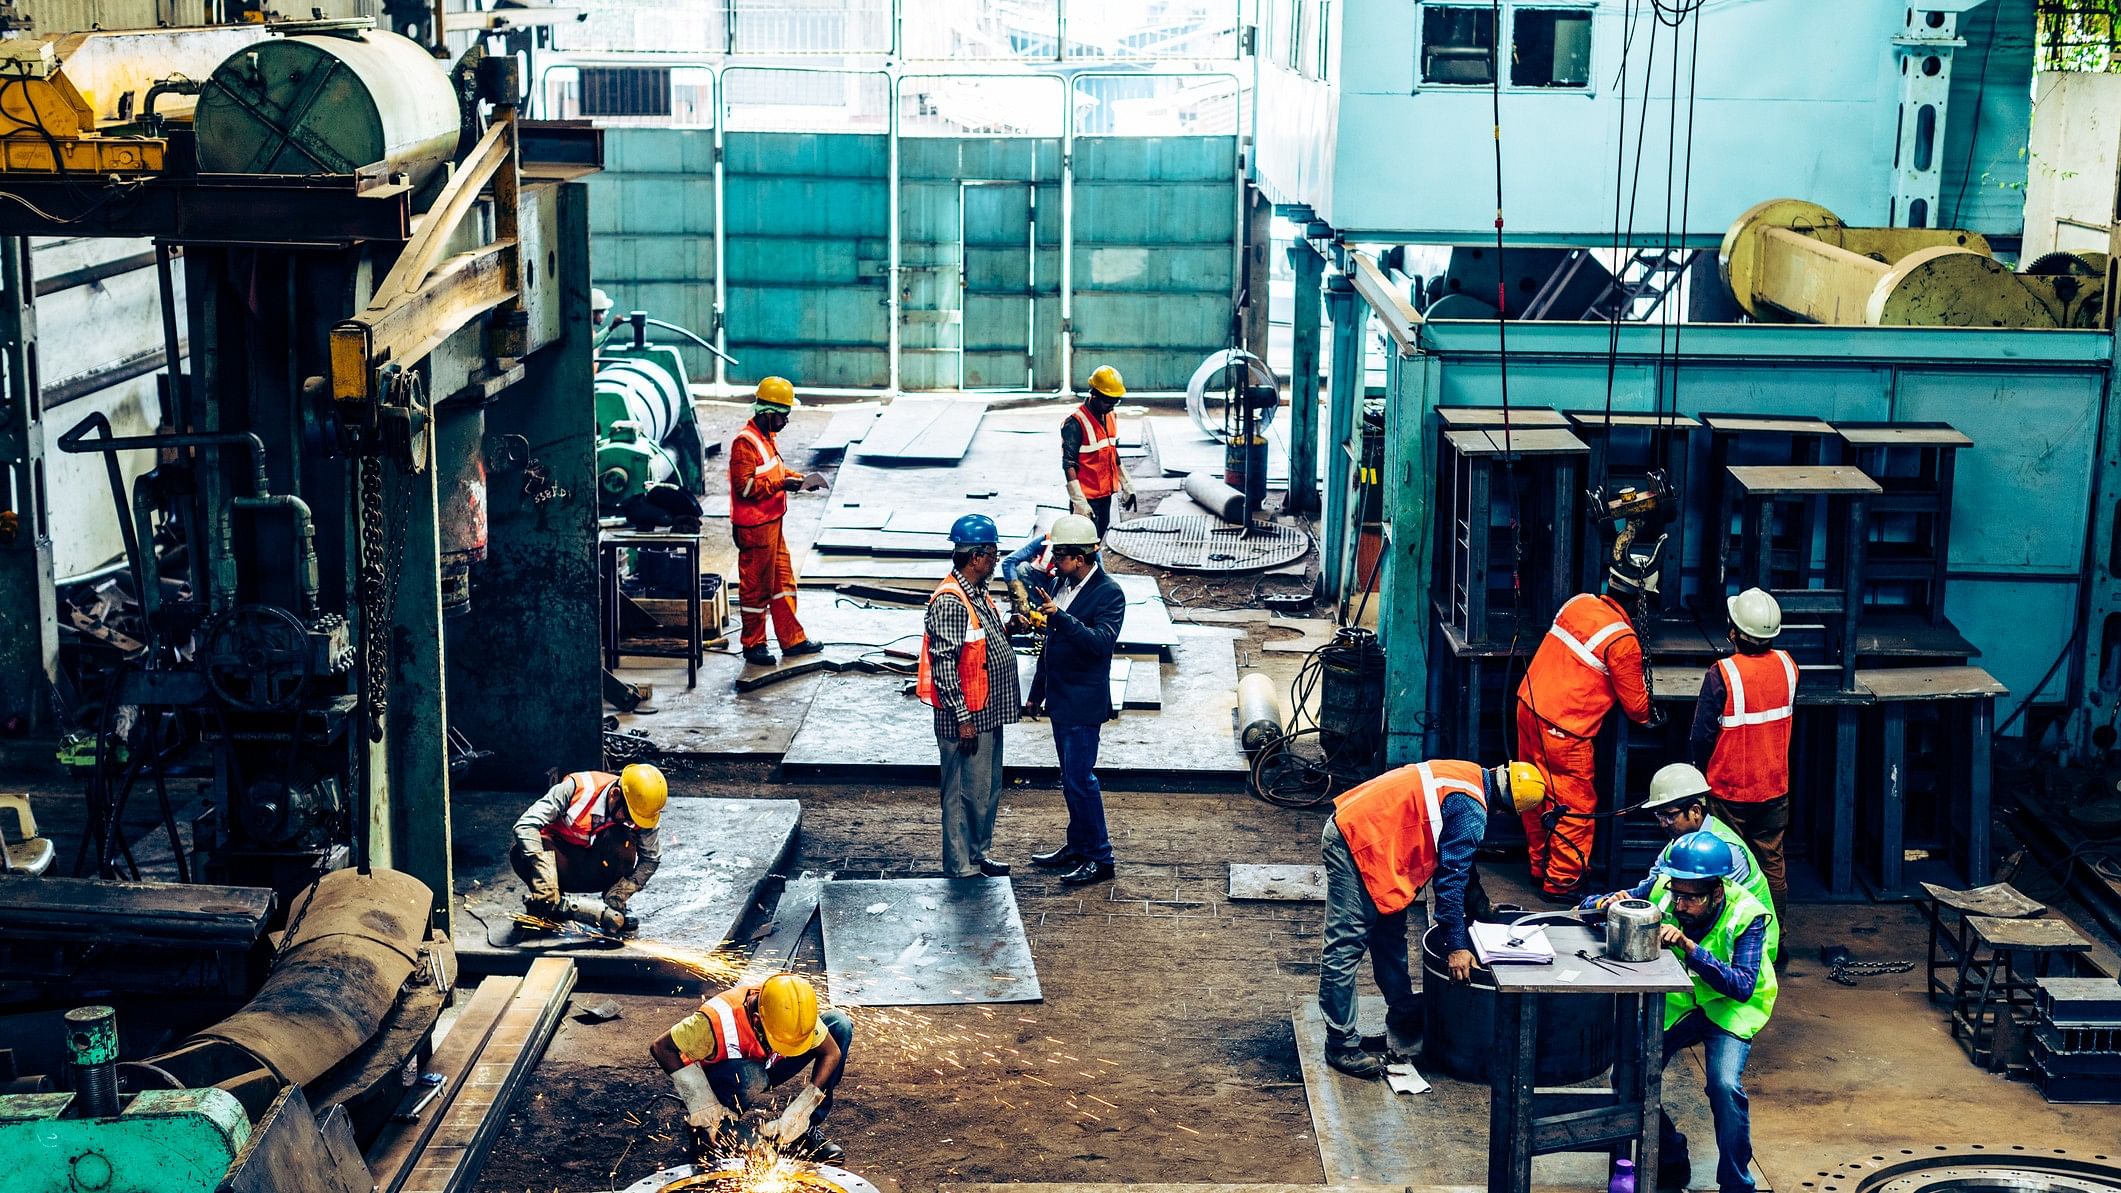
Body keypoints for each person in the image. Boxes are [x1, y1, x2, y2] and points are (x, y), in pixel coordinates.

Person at [1319, 758, 1547, 1079]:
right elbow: (1450, 881)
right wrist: (1456, 946)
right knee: (1346, 942)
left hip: (1379, 837)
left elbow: (1459, 861)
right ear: (1507, 811)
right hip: (1356, 839)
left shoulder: (1469, 775)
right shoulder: (1473, 812)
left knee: (1389, 930)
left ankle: (1401, 1007)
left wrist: (1482, 906)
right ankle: (1340, 1043)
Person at [1634, 832, 1777, 1193]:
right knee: (1631, 1074)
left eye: (1689, 898)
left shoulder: (1747, 915)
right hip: (1685, 1000)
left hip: (1731, 1006)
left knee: (1724, 1086)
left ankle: (1737, 1184)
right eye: (1675, 893)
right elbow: (1623, 900)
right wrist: (1607, 902)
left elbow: (1742, 985)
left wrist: (1687, 946)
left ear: (1716, 892)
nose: (1678, 905)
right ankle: (1669, 1163)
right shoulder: (1666, 888)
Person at [1515, 546, 1658, 901]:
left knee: (1533, 793)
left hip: (1528, 706)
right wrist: (1658, 715)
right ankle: (1562, 882)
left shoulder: (1577, 603)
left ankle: (1539, 867)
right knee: (1573, 805)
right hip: (1564, 729)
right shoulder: (1623, 641)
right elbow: (1638, 709)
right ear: (1641, 599)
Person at [1578, 763, 1779, 962]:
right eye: (1659, 814)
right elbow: (1652, 891)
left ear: (1695, 811)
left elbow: (1702, 914)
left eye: (1670, 815)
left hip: (1746, 950)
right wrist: (1610, 904)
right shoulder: (1679, 847)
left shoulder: (1726, 852)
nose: (1662, 823)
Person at [1022, 514, 1127, 887]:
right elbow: (1050, 645)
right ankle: (1078, 844)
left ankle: (1101, 857)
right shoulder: (1060, 584)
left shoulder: (1109, 593)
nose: (1053, 564)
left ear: (1080, 558)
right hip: (1061, 700)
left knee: (1081, 780)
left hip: (1084, 703)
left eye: (1060, 557)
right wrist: (1037, 692)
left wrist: (1061, 617)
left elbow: (1100, 644)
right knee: (1070, 780)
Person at [650, 971, 852, 1163]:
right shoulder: (714, 1020)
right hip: (725, 1079)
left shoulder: (793, 1010)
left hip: (767, 1065)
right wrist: (702, 1101)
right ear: (757, 1020)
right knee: (751, 1076)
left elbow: (831, 1052)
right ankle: (709, 1131)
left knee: (839, 1024)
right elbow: (661, 1047)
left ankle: (802, 1131)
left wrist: (802, 1111)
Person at [918, 514, 1023, 879]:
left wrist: (1008, 628)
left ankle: (978, 855)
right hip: (967, 718)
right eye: (993, 553)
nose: (996, 560)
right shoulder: (951, 601)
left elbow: (979, 648)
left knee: (985, 791)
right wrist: (962, 717)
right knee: (963, 795)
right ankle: (960, 866)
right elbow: (944, 665)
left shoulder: (976, 593)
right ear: (976, 556)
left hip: (985, 713)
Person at [1692, 587, 1795, 925]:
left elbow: (1701, 736)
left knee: (1725, 863)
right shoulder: (1788, 665)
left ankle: (1729, 940)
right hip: (1774, 788)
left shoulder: (1721, 674)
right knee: (1771, 864)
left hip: (1729, 791)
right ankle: (1774, 943)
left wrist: (1697, 773)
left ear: (1734, 632)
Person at [730, 376, 824, 667]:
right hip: (755, 528)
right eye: (783, 417)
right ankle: (754, 644)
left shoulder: (767, 438)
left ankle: (792, 640)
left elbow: (775, 470)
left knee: (783, 583)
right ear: (768, 413)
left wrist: (798, 479)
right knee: (756, 588)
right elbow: (745, 487)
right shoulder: (744, 444)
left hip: (772, 523)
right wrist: (782, 484)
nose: (785, 422)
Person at [510, 763, 667, 933]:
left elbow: (651, 859)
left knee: (624, 841)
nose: (632, 822)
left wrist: (621, 892)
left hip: (598, 869)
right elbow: (525, 825)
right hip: (561, 865)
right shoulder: (576, 788)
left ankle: (614, 906)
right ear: (615, 794)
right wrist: (544, 880)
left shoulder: (643, 810)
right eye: (629, 816)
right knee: (521, 852)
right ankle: (548, 903)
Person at [1063, 365, 1138, 536]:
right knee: (1081, 546)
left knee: (1097, 540)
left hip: (1105, 495)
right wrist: (1079, 502)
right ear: (1094, 394)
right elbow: (1068, 465)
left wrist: (1126, 484)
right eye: (1108, 401)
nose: (1111, 406)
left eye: (1115, 401)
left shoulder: (1110, 415)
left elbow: (1111, 451)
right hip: (1087, 498)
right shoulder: (1075, 423)